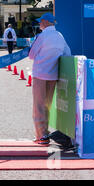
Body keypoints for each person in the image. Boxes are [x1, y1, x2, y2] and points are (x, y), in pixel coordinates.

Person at [28, 13, 71, 145]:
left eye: (40, 22)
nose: (39, 24)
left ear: (46, 22)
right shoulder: (60, 36)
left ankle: (42, 135)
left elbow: (31, 55)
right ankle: (45, 133)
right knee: (47, 105)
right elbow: (67, 53)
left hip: (40, 74)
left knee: (38, 106)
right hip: (53, 75)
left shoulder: (42, 36)